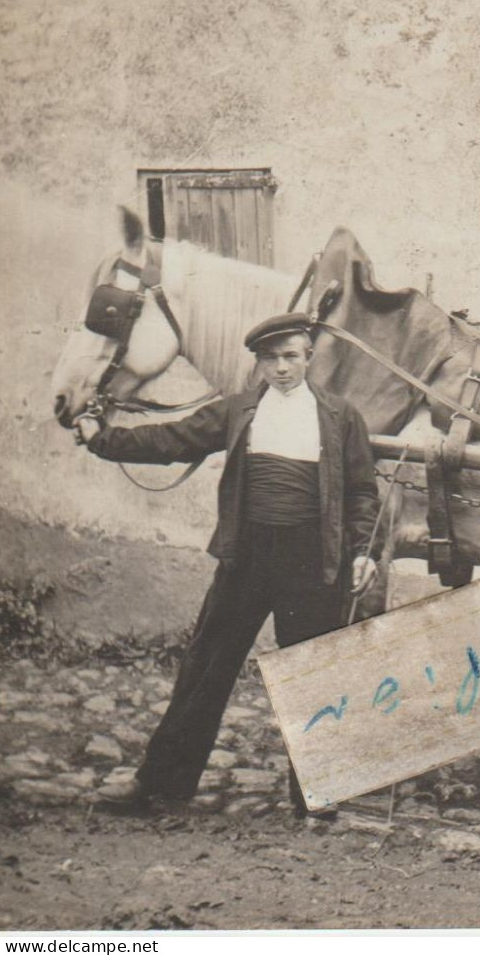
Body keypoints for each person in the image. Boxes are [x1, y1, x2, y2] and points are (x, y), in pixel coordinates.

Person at [75, 313, 380, 816]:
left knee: (312, 673)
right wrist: (102, 439)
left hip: (311, 564)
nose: (280, 368)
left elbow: (363, 492)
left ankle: (318, 791)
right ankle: (161, 784)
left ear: (308, 358)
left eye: (290, 357)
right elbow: (170, 440)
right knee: (205, 667)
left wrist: (363, 551)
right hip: (247, 560)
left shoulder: (341, 417)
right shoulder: (239, 411)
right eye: (270, 359)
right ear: (258, 363)